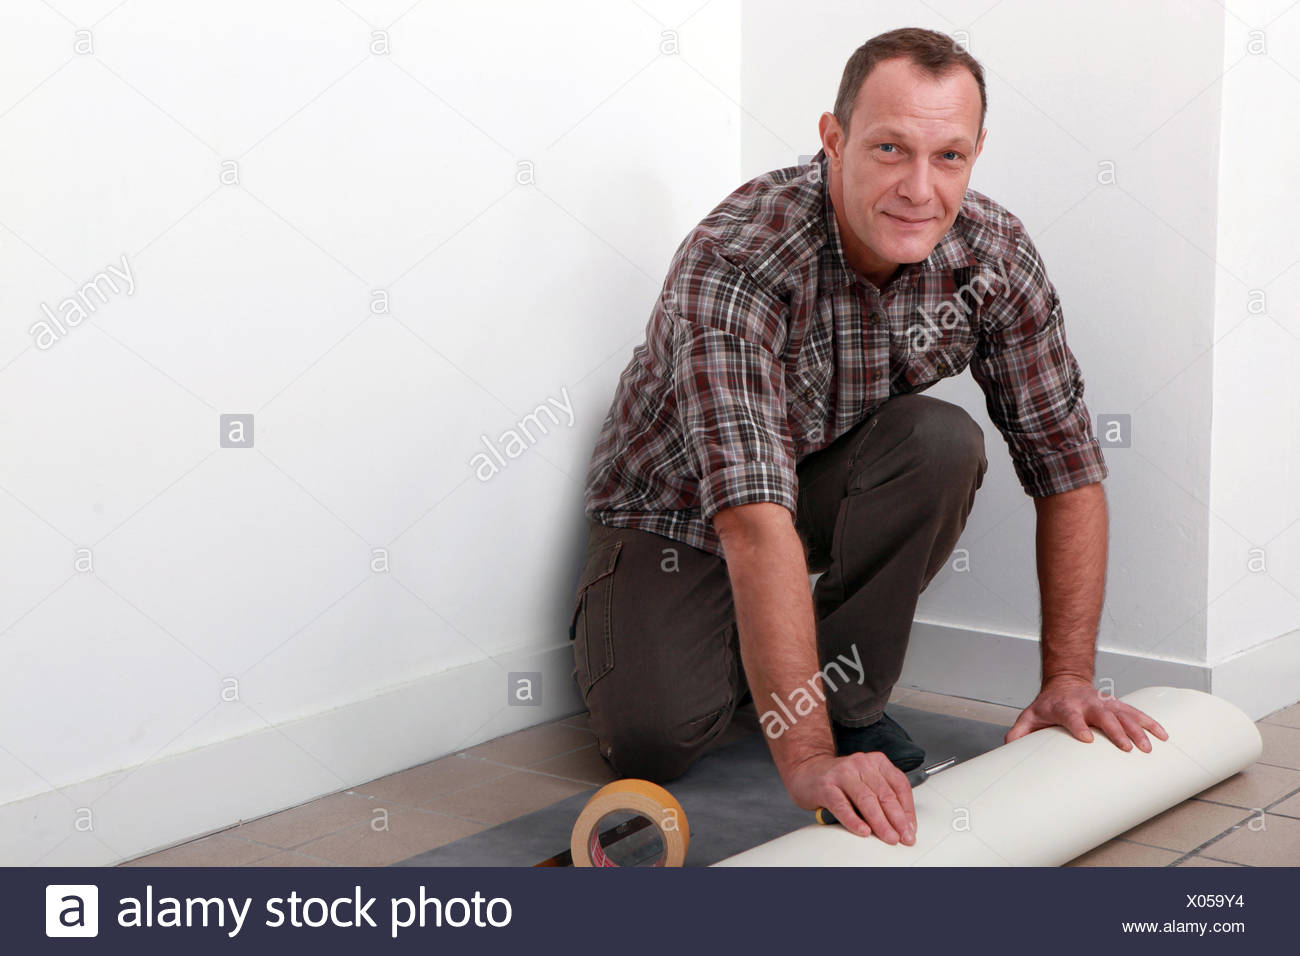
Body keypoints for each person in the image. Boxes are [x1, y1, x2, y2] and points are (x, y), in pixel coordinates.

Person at [569, 26, 1168, 846]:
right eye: (889, 149)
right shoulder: (738, 257)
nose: (920, 189)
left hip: (810, 486)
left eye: (949, 156)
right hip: (672, 515)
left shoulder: (993, 256)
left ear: (976, 152)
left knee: (940, 442)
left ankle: (843, 701)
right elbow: (750, 518)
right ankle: (769, 680)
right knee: (656, 740)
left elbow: (1067, 469)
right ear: (833, 138)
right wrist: (805, 761)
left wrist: (1068, 680)